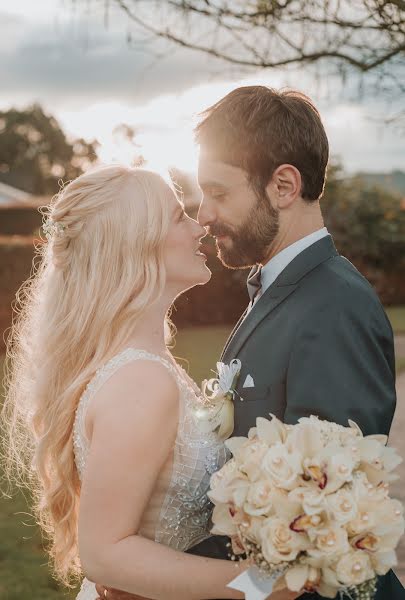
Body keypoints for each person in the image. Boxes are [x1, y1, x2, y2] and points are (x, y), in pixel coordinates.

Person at [96, 87, 404, 600]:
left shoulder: (333, 311)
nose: (205, 215)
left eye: (219, 193)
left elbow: (320, 530)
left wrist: (152, 576)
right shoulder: (280, 291)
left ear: (284, 185)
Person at [2, 165, 299, 600]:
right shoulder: (141, 380)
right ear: (135, 243)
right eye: (178, 216)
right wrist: (260, 585)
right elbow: (105, 555)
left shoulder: (140, 365)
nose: (199, 227)